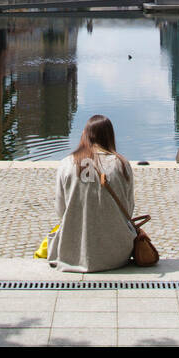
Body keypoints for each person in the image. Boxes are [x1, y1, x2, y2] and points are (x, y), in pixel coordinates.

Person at [48, 114, 136, 273]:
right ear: (110, 137)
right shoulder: (121, 164)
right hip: (116, 254)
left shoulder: (67, 163)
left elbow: (61, 210)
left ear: (85, 135)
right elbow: (128, 209)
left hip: (73, 253)